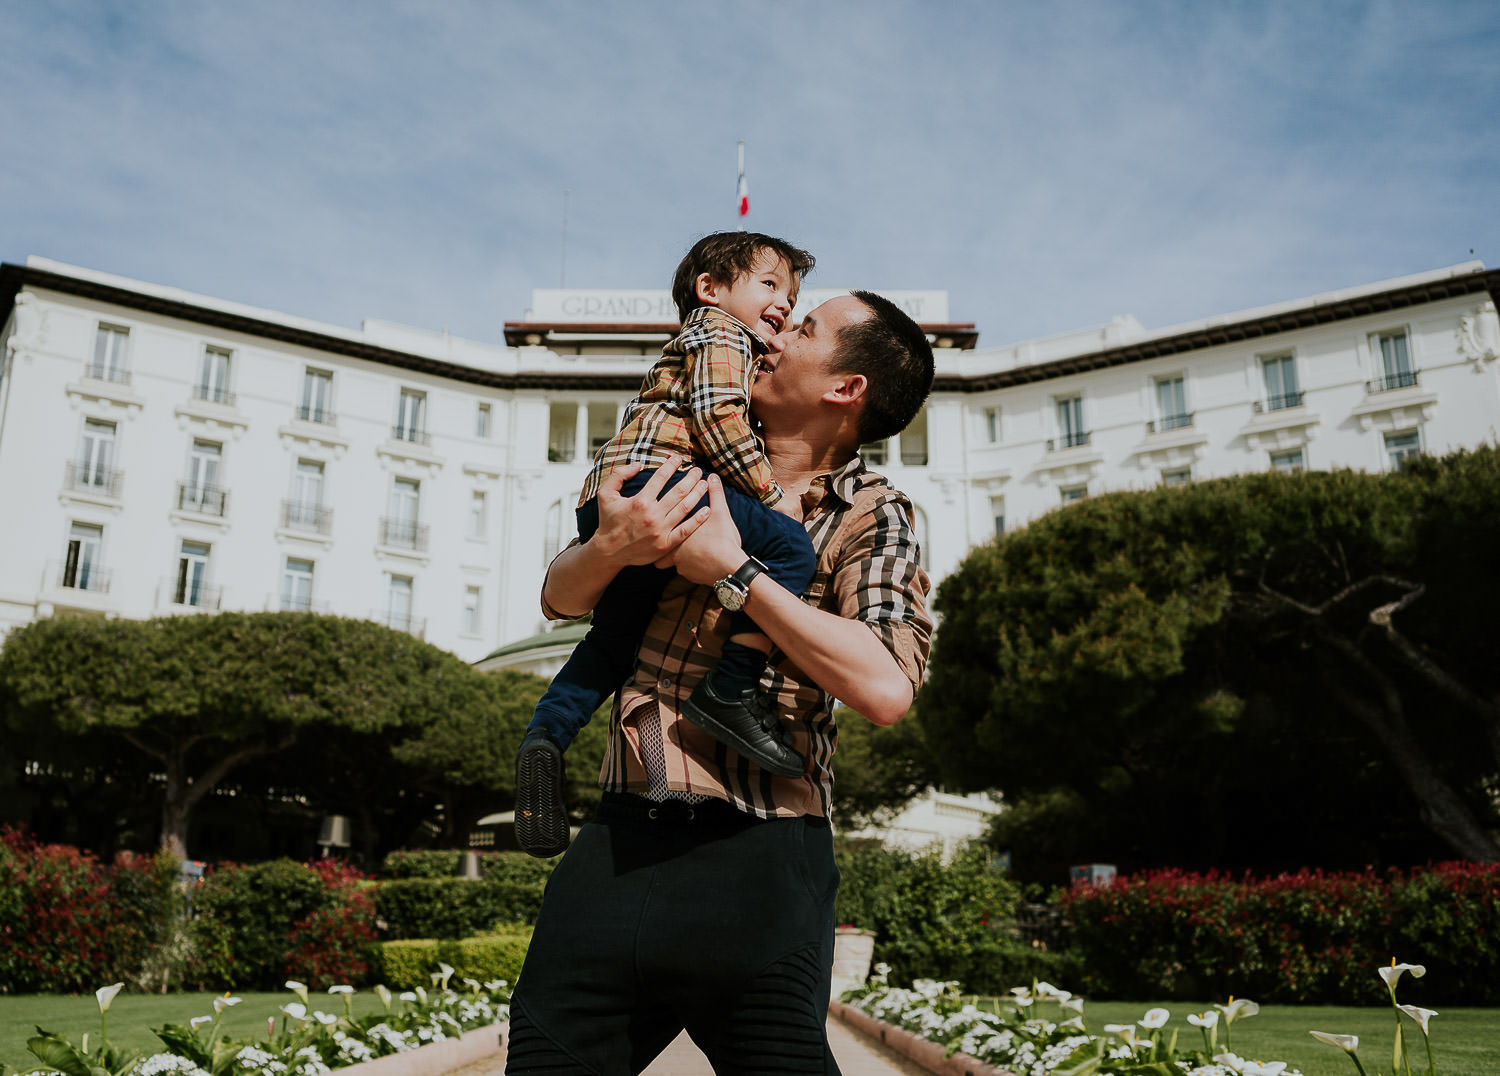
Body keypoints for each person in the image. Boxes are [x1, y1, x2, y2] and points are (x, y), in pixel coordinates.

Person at [505, 290, 936, 1075]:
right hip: (613, 850)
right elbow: (560, 599)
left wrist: (734, 573)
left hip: (761, 863)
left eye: (803, 329)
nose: (770, 339)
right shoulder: (681, 464)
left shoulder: (873, 515)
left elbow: (884, 686)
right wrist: (611, 548)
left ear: (847, 389)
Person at [514, 232, 820, 859]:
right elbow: (717, 418)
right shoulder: (721, 333)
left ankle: (545, 738)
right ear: (711, 290)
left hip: (612, 495)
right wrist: (769, 494)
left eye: (791, 296)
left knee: (612, 641)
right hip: (665, 482)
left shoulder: (705, 340)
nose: (784, 305)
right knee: (791, 551)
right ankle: (732, 687)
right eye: (770, 286)